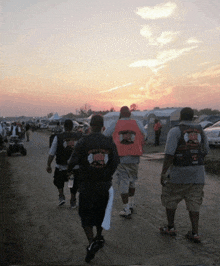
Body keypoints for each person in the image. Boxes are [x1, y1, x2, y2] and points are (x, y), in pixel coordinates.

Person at [67, 115, 119, 263]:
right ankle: (99, 237)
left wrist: (70, 170)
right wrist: (107, 173)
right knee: (101, 212)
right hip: (104, 184)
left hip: (87, 185)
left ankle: (91, 243)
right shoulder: (109, 141)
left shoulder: (83, 141)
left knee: (85, 215)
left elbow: (72, 161)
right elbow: (116, 161)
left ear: (90, 126)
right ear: (102, 127)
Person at [160, 107, 209, 243]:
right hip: (197, 174)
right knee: (194, 202)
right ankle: (195, 232)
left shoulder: (175, 131)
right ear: (193, 117)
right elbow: (206, 151)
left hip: (178, 174)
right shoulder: (201, 131)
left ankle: (170, 227)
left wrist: (163, 173)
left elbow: (169, 154)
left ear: (180, 117)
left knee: (170, 198)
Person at [103, 106, 147, 218]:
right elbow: (145, 135)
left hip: (120, 157)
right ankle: (131, 204)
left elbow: (105, 135)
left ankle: (126, 209)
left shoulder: (116, 123)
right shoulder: (137, 123)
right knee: (132, 180)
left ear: (121, 114)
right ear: (130, 113)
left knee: (123, 181)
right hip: (134, 156)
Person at [46, 119, 82, 207]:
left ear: (64, 126)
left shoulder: (58, 137)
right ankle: (73, 199)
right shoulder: (79, 136)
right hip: (75, 167)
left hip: (61, 166)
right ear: (73, 127)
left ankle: (61, 196)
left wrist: (48, 165)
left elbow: (52, 153)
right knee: (74, 183)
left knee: (58, 180)